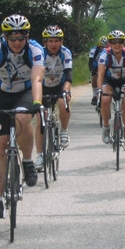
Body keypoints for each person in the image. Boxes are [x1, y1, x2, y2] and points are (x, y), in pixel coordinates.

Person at [0, 14, 45, 219]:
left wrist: (37, 103)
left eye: (20, 38)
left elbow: (37, 79)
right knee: (0, 146)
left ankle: (26, 160)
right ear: (5, 37)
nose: (16, 42)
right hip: (1, 93)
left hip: (24, 92)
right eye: (12, 38)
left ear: (27, 36)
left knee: (22, 117)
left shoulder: (35, 50)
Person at [34, 25, 72, 170]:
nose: (54, 44)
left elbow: (69, 75)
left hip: (60, 85)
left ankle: (64, 131)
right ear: (45, 42)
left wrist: (66, 91)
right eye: (50, 41)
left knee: (64, 103)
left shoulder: (65, 53)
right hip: (42, 86)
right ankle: (39, 156)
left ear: (61, 42)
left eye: (57, 41)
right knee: (40, 119)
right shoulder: (39, 54)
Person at [97, 30, 125, 151]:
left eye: (120, 42)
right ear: (109, 43)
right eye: (114, 42)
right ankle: (106, 127)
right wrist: (99, 90)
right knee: (104, 100)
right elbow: (100, 74)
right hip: (109, 81)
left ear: (124, 43)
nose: (117, 44)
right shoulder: (105, 54)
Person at [89, 36, 108, 106]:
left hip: (106, 66)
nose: (103, 49)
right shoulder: (94, 50)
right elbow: (90, 61)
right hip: (96, 66)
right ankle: (94, 96)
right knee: (95, 77)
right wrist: (92, 70)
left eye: (105, 47)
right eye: (102, 47)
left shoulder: (109, 50)